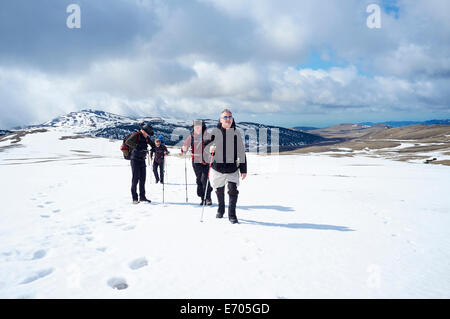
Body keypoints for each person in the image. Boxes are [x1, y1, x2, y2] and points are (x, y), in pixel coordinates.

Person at [207, 109, 247, 224]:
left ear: (232, 119)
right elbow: (205, 149)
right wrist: (210, 150)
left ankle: (232, 214)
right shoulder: (214, 132)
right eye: (225, 117)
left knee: (233, 190)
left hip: (232, 168)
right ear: (221, 120)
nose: (228, 119)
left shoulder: (236, 134)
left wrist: (243, 169)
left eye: (230, 117)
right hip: (217, 168)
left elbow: (241, 152)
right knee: (219, 191)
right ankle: (221, 208)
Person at [181, 120, 213, 205]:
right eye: (195, 127)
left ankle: (208, 198)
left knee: (204, 179)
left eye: (198, 126)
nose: (197, 128)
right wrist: (183, 149)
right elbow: (185, 147)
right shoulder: (191, 137)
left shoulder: (208, 136)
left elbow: (214, 146)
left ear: (202, 127)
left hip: (206, 161)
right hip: (195, 162)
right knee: (199, 180)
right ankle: (203, 198)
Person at [125, 122, 155, 204]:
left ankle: (142, 197)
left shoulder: (146, 137)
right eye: (147, 134)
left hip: (142, 159)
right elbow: (128, 142)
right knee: (135, 179)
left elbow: (152, 144)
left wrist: (155, 148)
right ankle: (134, 198)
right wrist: (137, 146)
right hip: (134, 159)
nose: (148, 135)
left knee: (142, 179)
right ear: (143, 131)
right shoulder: (136, 135)